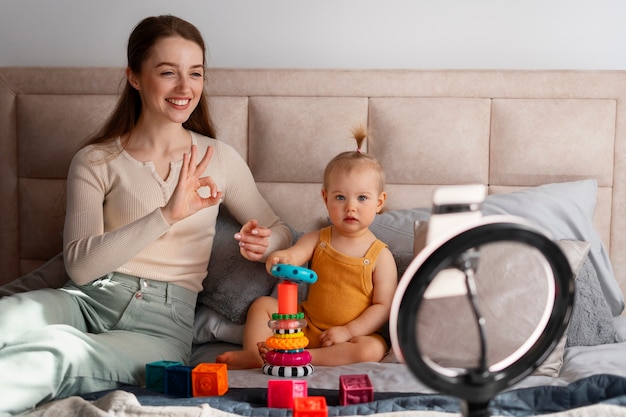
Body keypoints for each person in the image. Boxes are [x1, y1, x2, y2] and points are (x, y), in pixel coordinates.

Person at [0, 15, 291, 416]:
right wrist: (167, 214)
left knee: (55, 352)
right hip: (85, 300)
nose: (185, 88)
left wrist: (268, 242)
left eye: (195, 73)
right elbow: (81, 267)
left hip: (158, 328)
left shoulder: (218, 158)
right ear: (134, 77)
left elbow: (279, 230)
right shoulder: (96, 159)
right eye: (168, 72)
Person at [217, 127, 398, 369]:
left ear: (380, 202)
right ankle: (254, 353)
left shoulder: (380, 256)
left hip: (347, 337)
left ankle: (307, 358)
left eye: (362, 198)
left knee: (373, 348)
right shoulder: (319, 239)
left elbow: (383, 307)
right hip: (305, 326)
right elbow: (294, 255)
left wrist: (347, 331)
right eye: (340, 198)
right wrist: (280, 257)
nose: (350, 207)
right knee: (263, 305)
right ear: (325, 199)